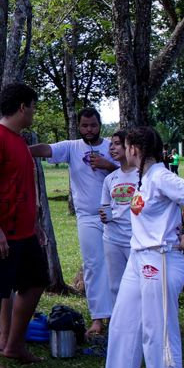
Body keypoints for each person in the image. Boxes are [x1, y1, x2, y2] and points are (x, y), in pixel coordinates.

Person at [92, 126, 184, 368]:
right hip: (138, 257)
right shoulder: (144, 179)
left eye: (127, 145)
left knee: (157, 327)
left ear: (137, 149)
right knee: (123, 321)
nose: (122, 149)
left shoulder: (161, 176)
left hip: (161, 258)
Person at [0, 83, 51, 368]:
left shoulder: (18, 139)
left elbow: (22, 187)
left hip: (24, 232)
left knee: (37, 281)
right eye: (32, 106)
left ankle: (14, 344)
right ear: (22, 107)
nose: (33, 112)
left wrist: (34, 225)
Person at [46, 108, 118, 340]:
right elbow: (47, 150)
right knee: (93, 265)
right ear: (79, 126)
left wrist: (109, 166)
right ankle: (98, 317)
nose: (89, 130)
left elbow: (131, 173)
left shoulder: (112, 147)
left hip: (115, 216)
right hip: (87, 216)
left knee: (117, 266)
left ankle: (118, 316)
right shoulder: (72, 147)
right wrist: (17, 146)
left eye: (94, 125)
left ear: (100, 124)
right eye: (85, 126)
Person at [96, 134, 136, 345]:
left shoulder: (142, 175)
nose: (112, 148)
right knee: (115, 286)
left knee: (136, 286)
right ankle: (119, 331)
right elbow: (105, 206)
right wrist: (104, 214)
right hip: (112, 237)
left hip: (135, 239)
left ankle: (137, 328)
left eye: (117, 144)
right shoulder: (110, 179)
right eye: (110, 145)